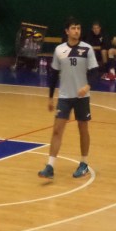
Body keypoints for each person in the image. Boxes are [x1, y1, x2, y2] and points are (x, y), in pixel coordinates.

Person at [38, 17, 99, 180]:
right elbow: (53, 74)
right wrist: (50, 97)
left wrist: (87, 86)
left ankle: (84, 163)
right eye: (73, 28)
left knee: (83, 129)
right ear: (67, 31)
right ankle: (50, 166)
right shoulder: (59, 50)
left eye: (78, 28)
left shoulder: (87, 49)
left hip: (82, 97)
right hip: (64, 97)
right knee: (57, 130)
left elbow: (95, 72)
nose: (76, 31)